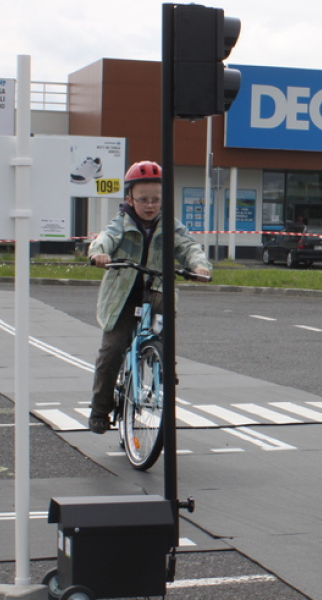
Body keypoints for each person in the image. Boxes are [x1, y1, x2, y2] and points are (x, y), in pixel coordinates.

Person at [87, 161, 212, 433]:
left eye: (156, 199)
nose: (150, 205)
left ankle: (162, 362)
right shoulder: (121, 223)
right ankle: (99, 409)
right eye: (143, 200)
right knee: (111, 351)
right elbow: (104, 238)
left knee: (162, 330)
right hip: (124, 294)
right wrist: (99, 254)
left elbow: (189, 246)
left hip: (156, 290)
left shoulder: (170, 225)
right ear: (129, 199)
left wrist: (199, 266)